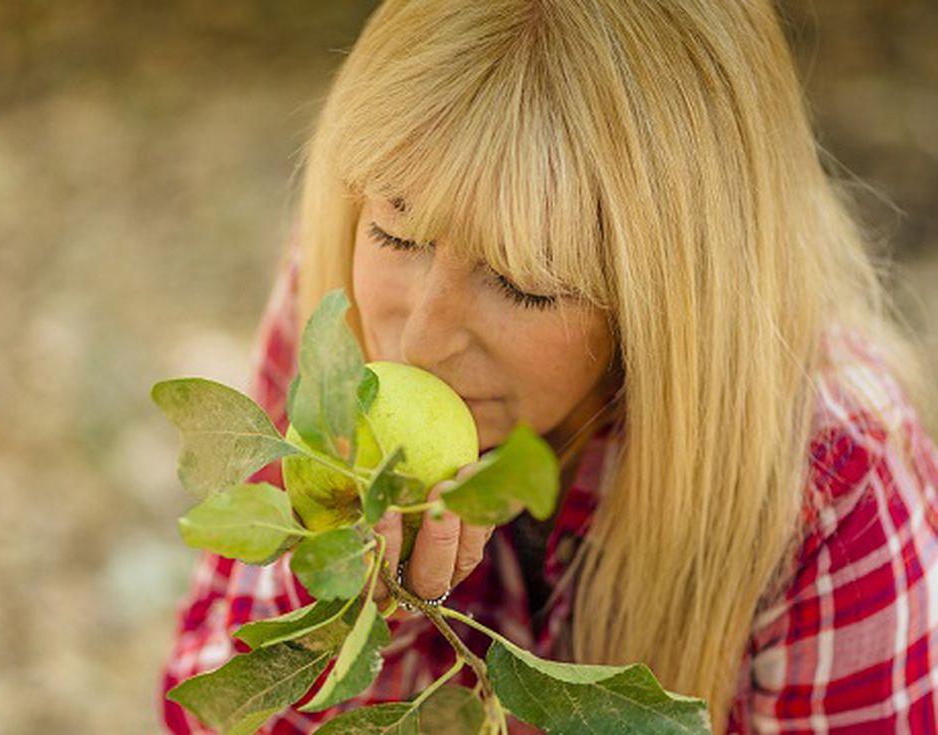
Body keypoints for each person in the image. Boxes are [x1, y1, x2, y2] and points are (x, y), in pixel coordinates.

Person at [159, 1, 938, 732]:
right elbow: (202, 701)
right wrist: (347, 618)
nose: (423, 341)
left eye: (524, 283)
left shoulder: (837, 491)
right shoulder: (342, 314)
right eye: (398, 235)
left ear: (670, 299)